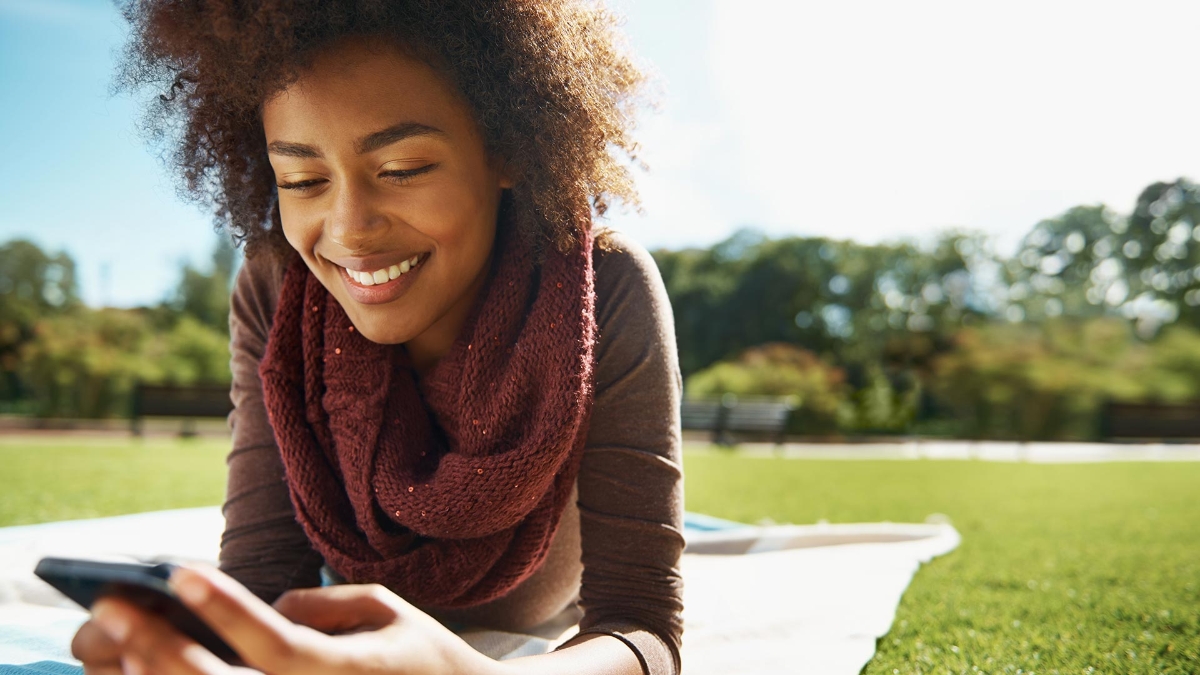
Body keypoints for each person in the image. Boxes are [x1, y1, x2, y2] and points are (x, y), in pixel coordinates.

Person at [70, 1, 684, 674]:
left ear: (505, 150)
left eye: (403, 169)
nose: (350, 229)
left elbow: (642, 624)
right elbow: (263, 576)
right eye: (302, 180)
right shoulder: (276, 293)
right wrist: (182, 636)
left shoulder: (604, 285)